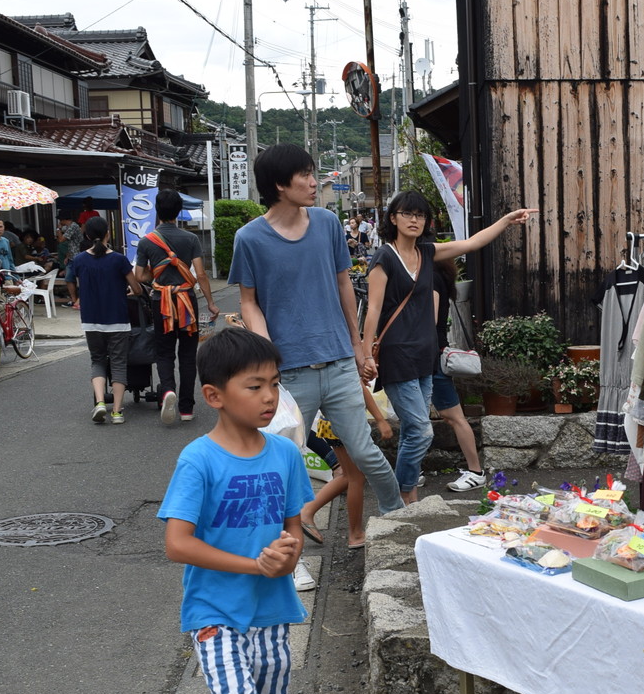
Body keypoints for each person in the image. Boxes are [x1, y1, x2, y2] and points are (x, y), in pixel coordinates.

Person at [157, 326, 307, 694]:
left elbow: (293, 526)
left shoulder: (286, 454)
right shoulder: (199, 459)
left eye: (275, 384)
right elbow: (177, 543)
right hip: (216, 614)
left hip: (273, 615)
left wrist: (289, 550)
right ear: (216, 396)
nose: (270, 397)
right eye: (255, 386)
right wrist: (252, 563)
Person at [231, 143, 403, 516]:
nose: (314, 182)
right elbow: (249, 302)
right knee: (282, 461)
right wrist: (267, 355)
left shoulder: (326, 223)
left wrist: (359, 348)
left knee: (365, 452)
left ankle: (400, 517)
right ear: (279, 185)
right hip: (289, 371)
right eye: (306, 175)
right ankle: (286, 558)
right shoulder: (249, 238)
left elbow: (344, 285)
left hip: (339, 361)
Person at [362, 190, 536, 503]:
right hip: (397, 355)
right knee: (421, 429)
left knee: (415, 431)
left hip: (427, 355)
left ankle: (408, 497)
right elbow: (373, 310)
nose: (414, 220)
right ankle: (399, 496)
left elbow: (472, 243)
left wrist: (506, 221)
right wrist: (365, 354)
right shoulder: (384, 258)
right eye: (407, 214)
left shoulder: (427, 253)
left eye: (420, 215)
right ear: (393, 218)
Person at [136, 189, 221, 425]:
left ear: (157, 210)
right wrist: (211, 303)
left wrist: (158, 274)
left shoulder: (147, 241)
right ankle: (186, 408)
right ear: (178, 211)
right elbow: (201, 274)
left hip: (160, 302)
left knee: (164, 352)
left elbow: (140, 275)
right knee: (186, 354)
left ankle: (167, 392)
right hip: (186, 302)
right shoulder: (191, 239)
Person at [300, 383, 394, 548]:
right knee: (356, 478)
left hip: (329, 423)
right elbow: (360, 387)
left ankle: (307, 511)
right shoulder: (346, 363)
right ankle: (356, 534)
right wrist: (380, 419)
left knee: (346, 476)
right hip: (344, 423)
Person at [71, 216, 143, 424]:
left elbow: (78, 285)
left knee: (98, 360)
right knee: (119, 363)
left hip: (91, 320)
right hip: (118, 320)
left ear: (86, 235)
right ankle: (118, 412)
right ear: (107, 234)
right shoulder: (119, 260)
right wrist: (128, 291)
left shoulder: (79, 260)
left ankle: (101, 402)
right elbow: (137, 288)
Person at [431, 261, 487, 491]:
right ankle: (475, 471)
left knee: (453, 416)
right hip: (434, 355)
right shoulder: (440, 276)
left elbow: (430, 319)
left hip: (430, 358)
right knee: (449, 417)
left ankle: (476, 471)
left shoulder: (431, 278)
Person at [56, 216, 83, 307]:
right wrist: (67, 255)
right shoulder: (70, 227)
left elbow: (61, 240)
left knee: (78, 279)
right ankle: (74, 300)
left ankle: (79, 300)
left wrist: (58, 229)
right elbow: (71, 244)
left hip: (77, 257)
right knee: (69, 278)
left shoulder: (73, 226)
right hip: (72, 256)